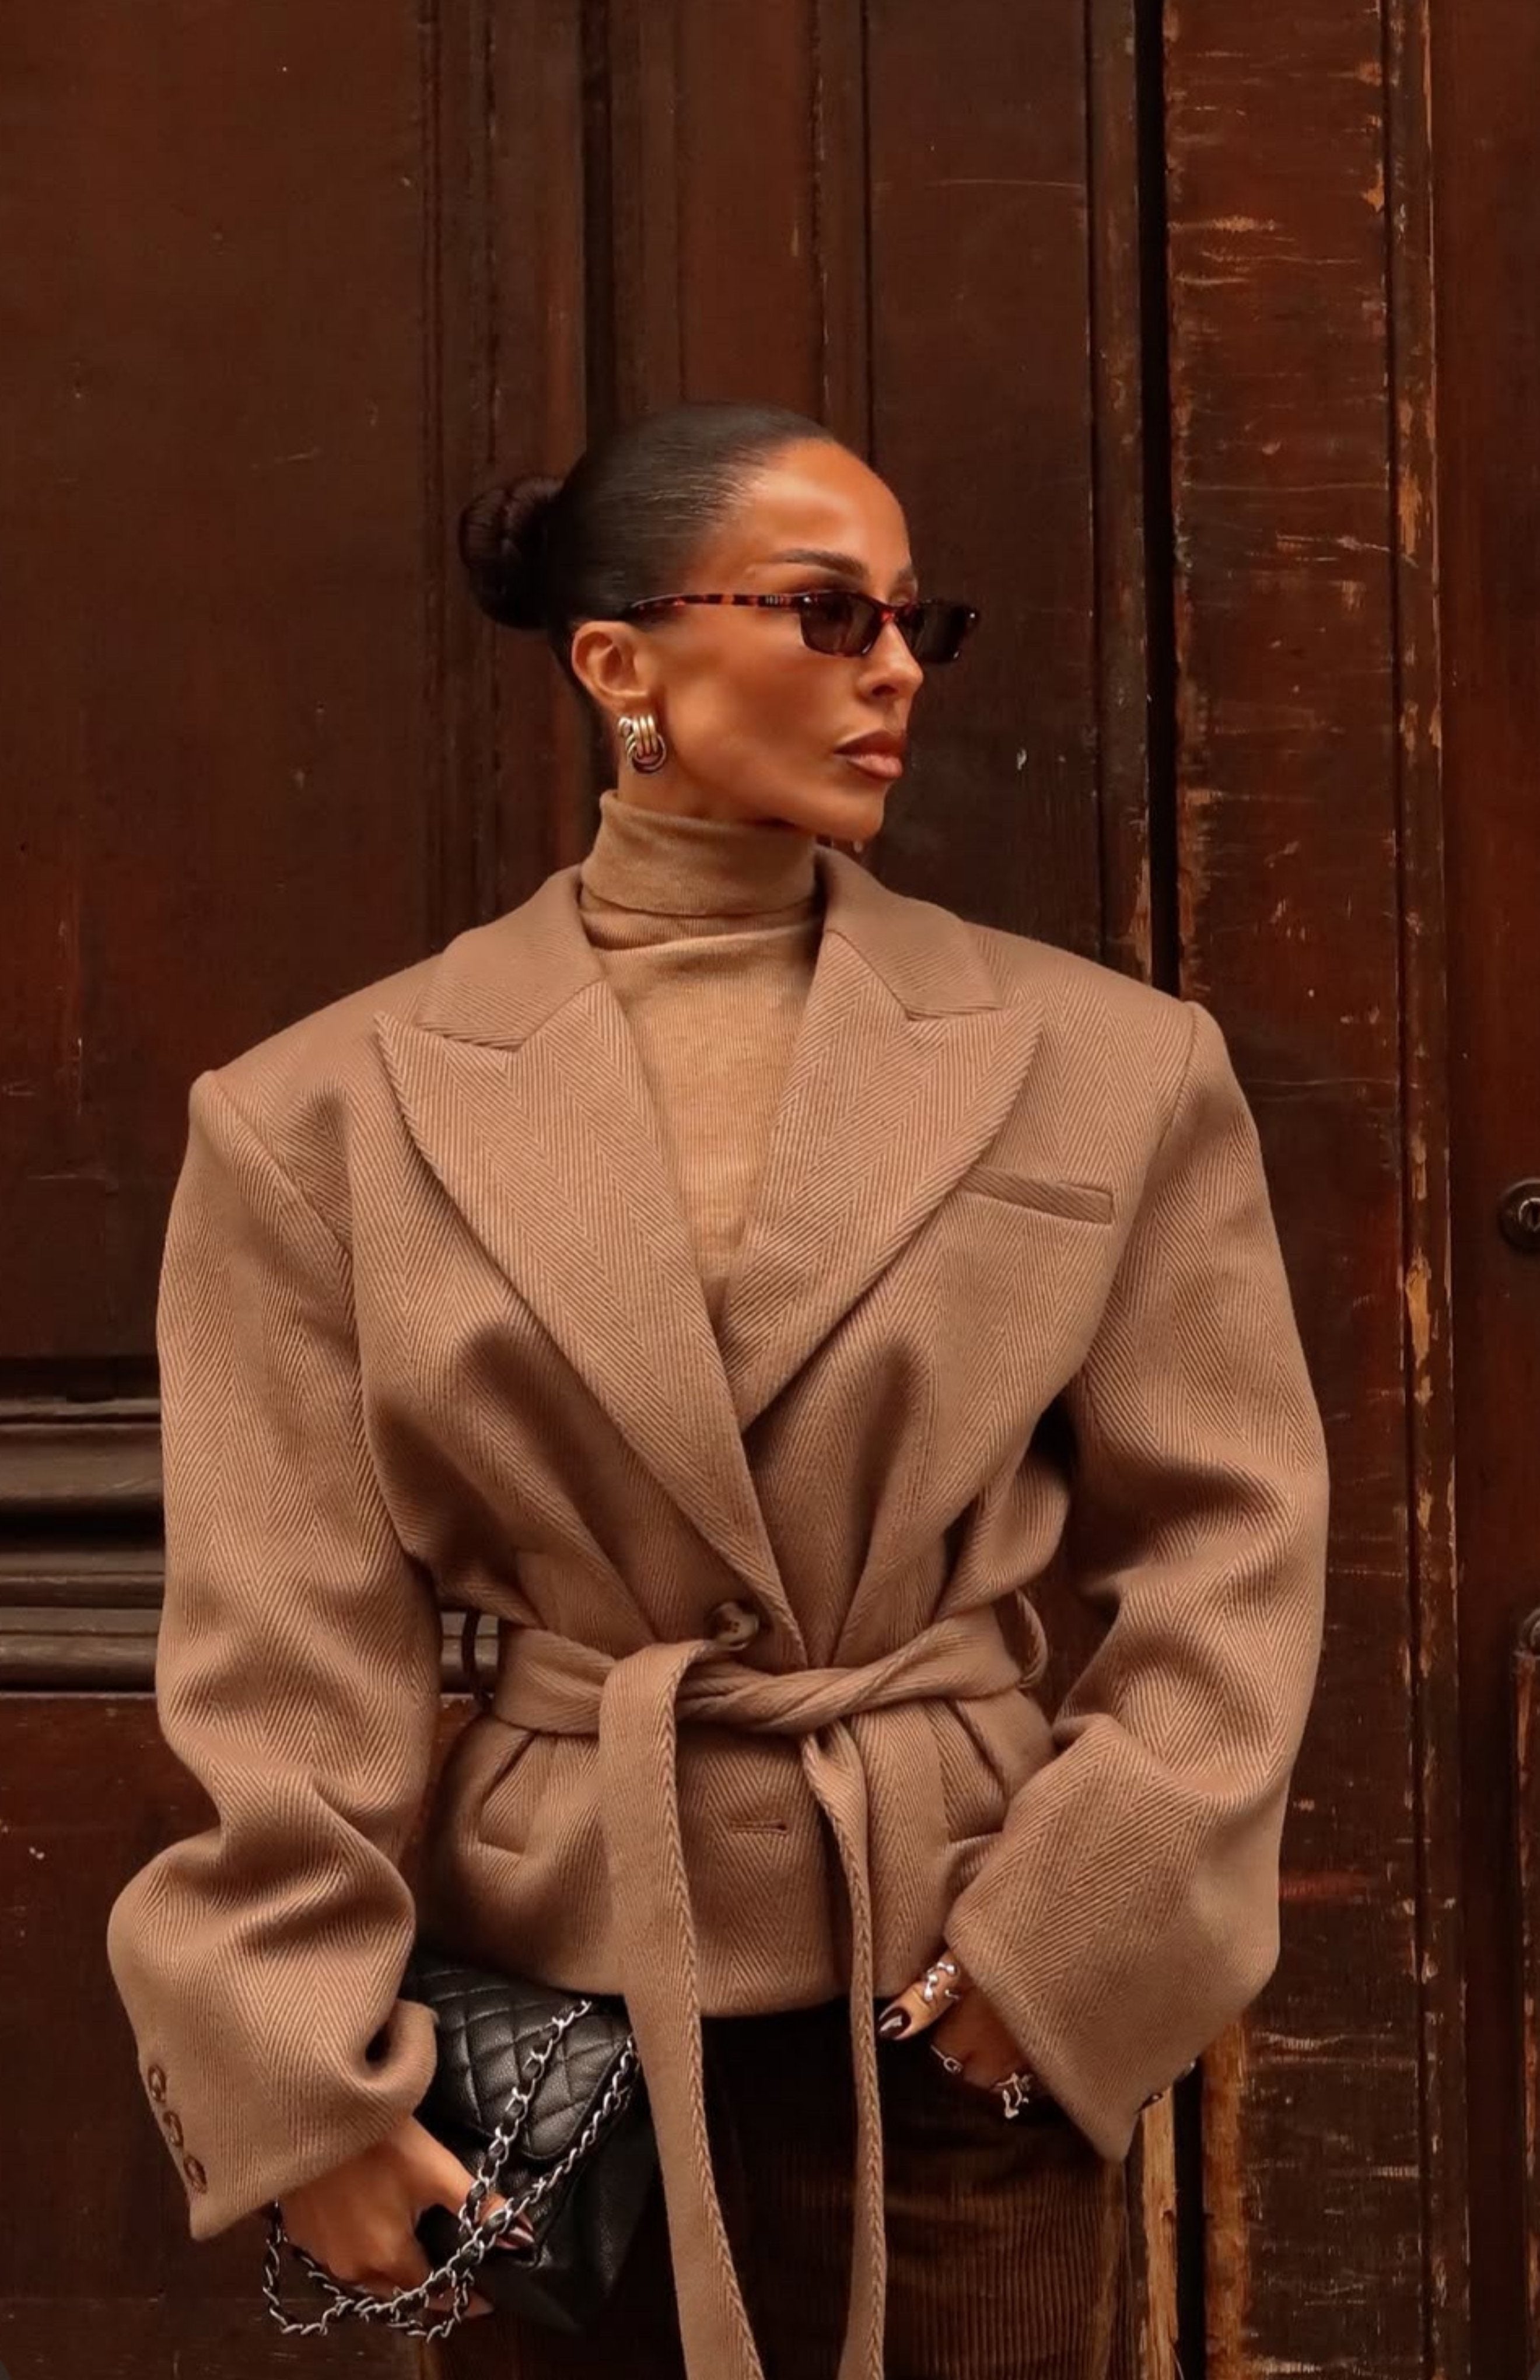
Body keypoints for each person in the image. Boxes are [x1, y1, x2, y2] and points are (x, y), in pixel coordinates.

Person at [105, 399, 1331, 2379]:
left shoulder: (1111, 1066)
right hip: (554, 2035)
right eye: (830, 616)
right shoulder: (318, 1118)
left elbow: (1234, 1551)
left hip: (957, 1993)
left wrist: (1065, 1952)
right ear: (621, 664)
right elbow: (284, 1642)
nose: (899, 672)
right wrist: (306, 2077)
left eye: (921, 623)